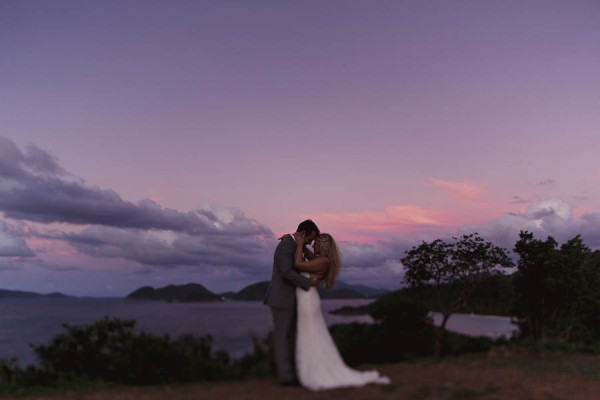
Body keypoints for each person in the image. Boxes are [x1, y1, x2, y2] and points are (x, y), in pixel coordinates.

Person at [292, 232, 390, 391]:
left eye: (315, 243)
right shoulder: (319, 259)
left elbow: (297, 264)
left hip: (308, 302)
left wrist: (298, 244)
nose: (313, 245)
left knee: (311, 334)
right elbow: (307, 255)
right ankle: (312, 367)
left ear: (322, 245)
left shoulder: (323, 261)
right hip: (306, 300)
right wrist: (302, 245)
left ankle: (315, 371)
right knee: (311, 334)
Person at [263, 219, 321, 386]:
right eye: (310, 239)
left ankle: (294, 373)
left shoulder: (297, 246)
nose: (310, 243)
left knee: (292, 337)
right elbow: (287, 272)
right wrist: (309, 283)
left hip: (293, 300)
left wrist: (303, 246)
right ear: (303, 234)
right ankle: (286, 377)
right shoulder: (285, 246)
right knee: (282, 337)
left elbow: (311, 261)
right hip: (282, 299)